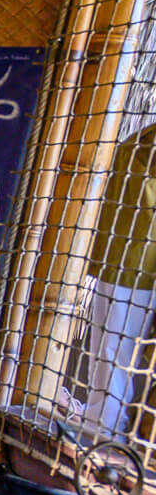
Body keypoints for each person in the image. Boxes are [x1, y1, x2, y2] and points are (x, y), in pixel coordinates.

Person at [85, 120, 156, 437]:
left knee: (113, 353)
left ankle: (105, 430)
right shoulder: (145, 141)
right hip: (127, 256)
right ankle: (103, 428)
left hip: (135, 260)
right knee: (111, 352)